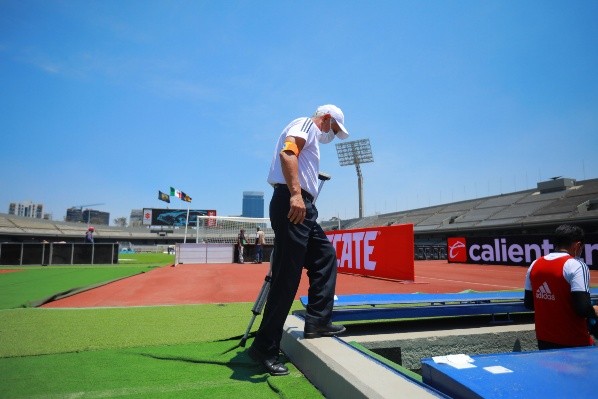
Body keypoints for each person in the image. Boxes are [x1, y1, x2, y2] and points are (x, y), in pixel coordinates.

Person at [248, 104, 349, 376]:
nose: (332, 134)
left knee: (325, 257)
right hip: (293, 204)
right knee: (286, 278)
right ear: (326, 118)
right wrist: (295, 194)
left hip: (302, 207)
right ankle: (264, 347)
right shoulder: (306, 124)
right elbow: (288, 153)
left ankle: (317, 321)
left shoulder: (312, 134)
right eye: (334, 128)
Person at [524, 224, 598, 350]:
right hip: (574, 341)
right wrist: (595, 309)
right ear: (577, 246)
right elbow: (583, 309)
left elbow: (529, 304)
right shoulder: (576, 266)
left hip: (544, 340)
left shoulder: (535, 264)